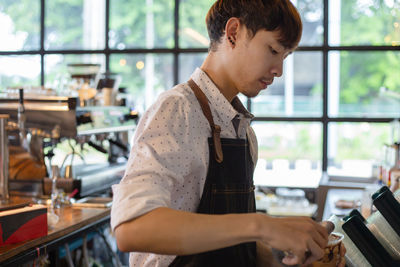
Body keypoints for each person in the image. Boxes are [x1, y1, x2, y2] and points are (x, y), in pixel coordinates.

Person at [111, 0, 346, 266]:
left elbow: (233, 248)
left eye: (285, 56)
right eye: (273, 50)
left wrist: (284, 260)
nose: (279, 70)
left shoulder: (242, 131)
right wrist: (261, 225)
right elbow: (132, 228)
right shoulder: (178, 110)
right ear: (233, 33)